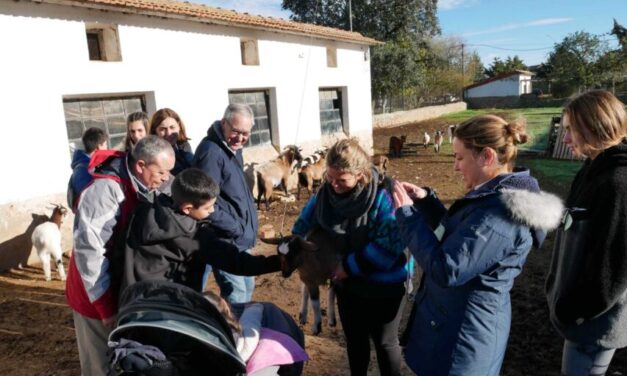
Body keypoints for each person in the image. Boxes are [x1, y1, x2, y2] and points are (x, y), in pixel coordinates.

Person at [393, 115, 563, 376]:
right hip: (453, 329)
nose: (455, 167)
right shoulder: (490, 197)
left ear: (487, 156)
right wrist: (427, 203)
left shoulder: (499, 214)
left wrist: (407, 217)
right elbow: (460, 238)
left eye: (460, 158)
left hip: (462, 343)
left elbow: (448, 268)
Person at [291, 138, 408, 376]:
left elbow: (389, 246)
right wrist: (293, 244)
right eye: (330, 178)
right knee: (355, 342)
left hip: (384, 284)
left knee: (385, 343)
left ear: (361, 175)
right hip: (348, 284)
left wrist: (348, 265)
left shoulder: (383, 196)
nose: (334, 185)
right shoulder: (324, 197)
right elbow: (302, 224)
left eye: (341, 180)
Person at [65, 135, 175, 376]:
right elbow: (90, 251)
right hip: (94, 294)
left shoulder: (145, 179)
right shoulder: (105, 191)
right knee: (101, 364)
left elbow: (175, 188)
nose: (166, 178)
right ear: (141, 166)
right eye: (162, 172)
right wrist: (104, 306)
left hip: (121, 288)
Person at [545, 90, 627, 375]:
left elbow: (614, 266)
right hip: (581, 319)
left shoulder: (617, 183)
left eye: (571, 130)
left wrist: (574, 311)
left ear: (595, 127)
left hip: (593, 323)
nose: (565, 139)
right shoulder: (592, 170)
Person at [121, 168, 282, 294]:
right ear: (187, 208)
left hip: (133, 305)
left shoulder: (142, 212)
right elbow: (237, 262)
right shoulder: (194, 236)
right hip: (168, 313)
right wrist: (280, 262)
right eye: (207, 207)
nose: (212, 211)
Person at [193, 103, 258, 304]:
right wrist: (234, 227)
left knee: (247, 289)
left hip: (240, 238)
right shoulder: (211, 152)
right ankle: (233, 334)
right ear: (224, 123)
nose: (240, 138)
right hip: (225, 239)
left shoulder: (233, 148)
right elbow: (204, 201)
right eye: (236, 131)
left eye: (245, 134)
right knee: (236, 296)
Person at [67, 127, 108, 212]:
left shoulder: (82, 165)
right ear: (99, 146)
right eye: (105, 144)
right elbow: (92, 200)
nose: (107, 148)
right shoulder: (87, 170)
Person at [150, 107, 193, 176]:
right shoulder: (152, 153)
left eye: (172, 127)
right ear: (154, 131)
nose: (169, 133)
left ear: (179, 127)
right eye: (163, 129)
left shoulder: (184, 145)